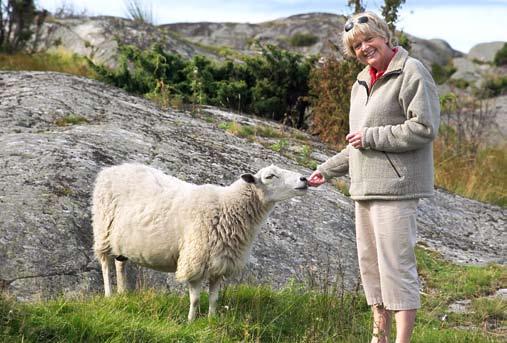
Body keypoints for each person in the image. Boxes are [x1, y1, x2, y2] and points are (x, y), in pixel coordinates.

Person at [307, 11, 440, 343]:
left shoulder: (411, 71)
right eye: (356, 46)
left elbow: (424, 128)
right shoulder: (360, 83)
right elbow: (358, 143)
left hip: (396, 189)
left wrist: (372, 136)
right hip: (363, 190)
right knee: (372, 270)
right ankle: (377, 337)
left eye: (369, 40)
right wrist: (326, 169)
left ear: (385, 35)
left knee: (397, 268)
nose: (364, 48)